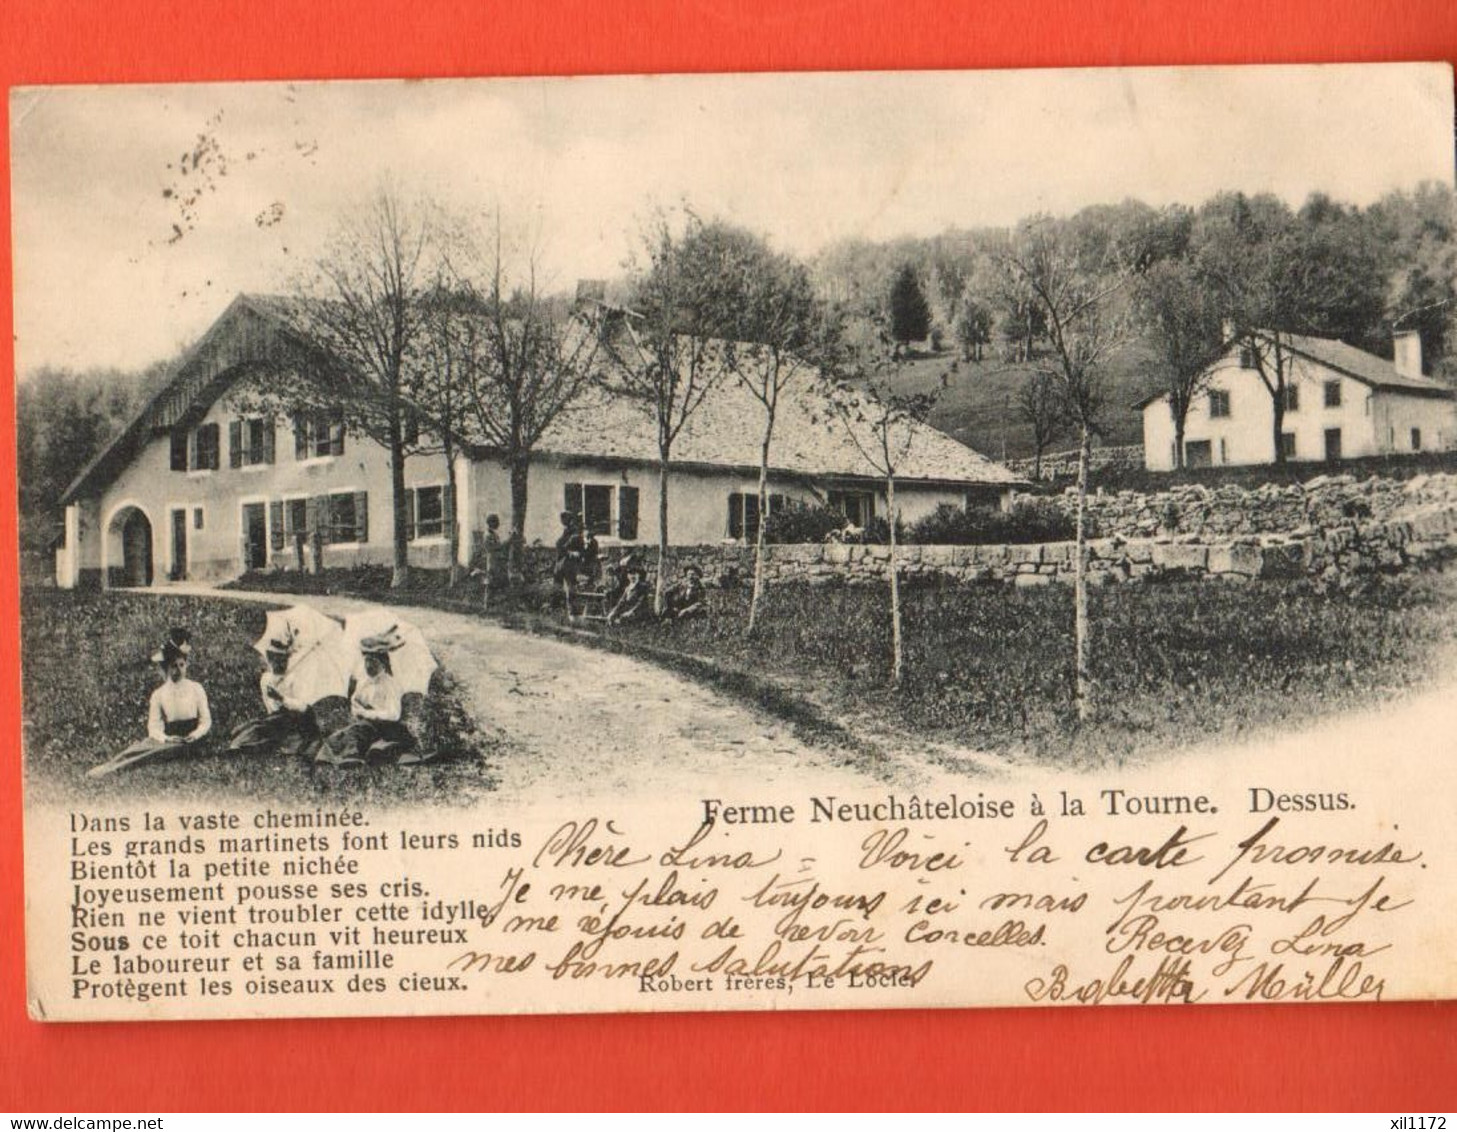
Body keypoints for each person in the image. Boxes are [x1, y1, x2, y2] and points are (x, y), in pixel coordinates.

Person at [88, 629, 212, 778]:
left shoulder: (196, 688)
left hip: (192, 741)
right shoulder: (159, 694)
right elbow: (153, 727)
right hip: (171, 737)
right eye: (174, 666)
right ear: (166, 668)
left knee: (157, 752)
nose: (178, 670)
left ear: (186, 665)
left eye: (181, 665)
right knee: (140, 747)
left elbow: (205, 721)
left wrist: (195, 734)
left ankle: (115, 770)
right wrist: (166, 738)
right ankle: (109, 766)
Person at [316, 636, 413, 768]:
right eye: (366, 661)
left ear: (382, 662)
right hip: (368, 726)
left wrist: (367, 713)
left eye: (372, 661)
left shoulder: (390, 684)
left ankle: (353, 758)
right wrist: (357, 709)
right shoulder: (364, 682)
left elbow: (394, 714)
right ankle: (327, 760)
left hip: (387, 728)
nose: (368, 665)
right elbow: (355, 703)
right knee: (339, 736)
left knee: (359, 733)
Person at [227, 638, 321, 758]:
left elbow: (303, 707)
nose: (279, 662)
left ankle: (264, 746)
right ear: (269, 659)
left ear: (288, 658)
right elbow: (271, 708)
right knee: (253, 729)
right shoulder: (266, 679)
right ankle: (245, 746)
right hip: (277, 719)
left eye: (283, 658)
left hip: (299, 719)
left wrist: (281, 698)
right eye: (274, 658)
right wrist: (275, 702)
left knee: (290, 738)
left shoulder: (295, 678)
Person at [470, 513, 507, 610]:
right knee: (490, 581)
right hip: (492, 560)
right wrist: (508, 541)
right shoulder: (487, 535)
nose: (498, 524)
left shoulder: (494, 534)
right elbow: (495, 547)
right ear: (491, 523)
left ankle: (492, 603)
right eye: (495, 522)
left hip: (497, 559)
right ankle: (487, 604)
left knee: (495, 581)